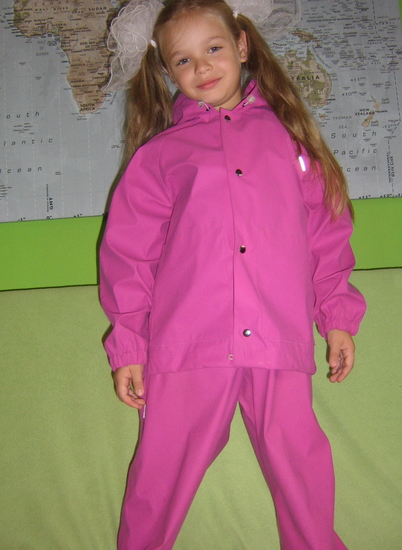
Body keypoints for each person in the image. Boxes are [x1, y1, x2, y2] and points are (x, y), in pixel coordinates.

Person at [99, 0, 367, 548]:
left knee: (301, 471)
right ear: (166, 70)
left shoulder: (288, 142)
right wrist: (128, 346)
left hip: (277, 338)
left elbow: (325, 235)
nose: (202, 67)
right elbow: (129, 256)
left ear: (242, 46)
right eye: (183, 60)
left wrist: (337, 316)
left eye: (214, 49)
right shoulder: (161, 156)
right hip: (187, 344)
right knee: (160, 474)